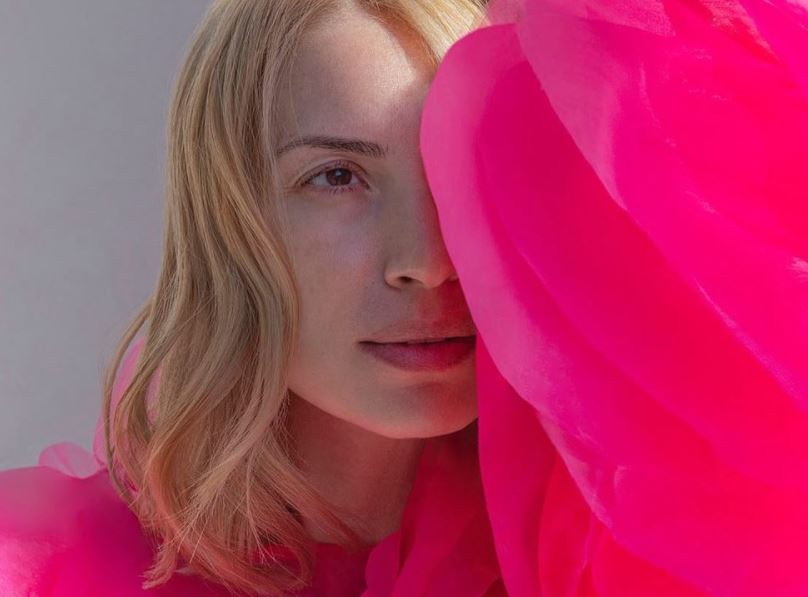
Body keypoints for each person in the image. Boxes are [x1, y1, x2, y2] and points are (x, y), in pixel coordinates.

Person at [0, 1, 504, 595]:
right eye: (337, 176)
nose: (428, 263)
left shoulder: (590, 558)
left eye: (464, 165)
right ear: (225, 221)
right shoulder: (43, 575)